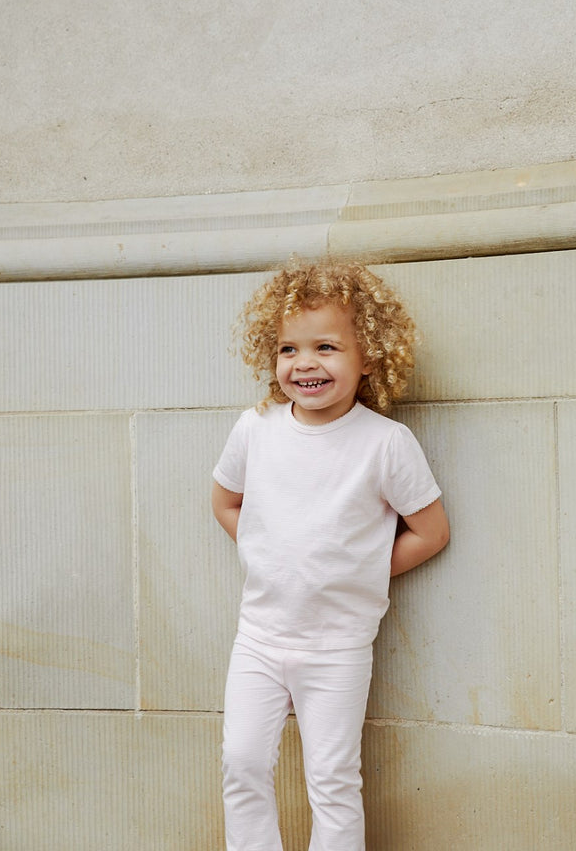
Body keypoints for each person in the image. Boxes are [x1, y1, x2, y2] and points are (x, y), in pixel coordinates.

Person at [211, 259, 450, 851]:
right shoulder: (255, 429)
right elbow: (225, 502)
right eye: (288, 349)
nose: (305, 363)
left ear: (367, 356)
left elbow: (431, 531)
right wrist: (273, 554)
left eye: (326, 347)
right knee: (242, 764)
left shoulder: (385, 443)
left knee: (333, 780)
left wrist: (357, 569)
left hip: (337, 646)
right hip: (260, 638)